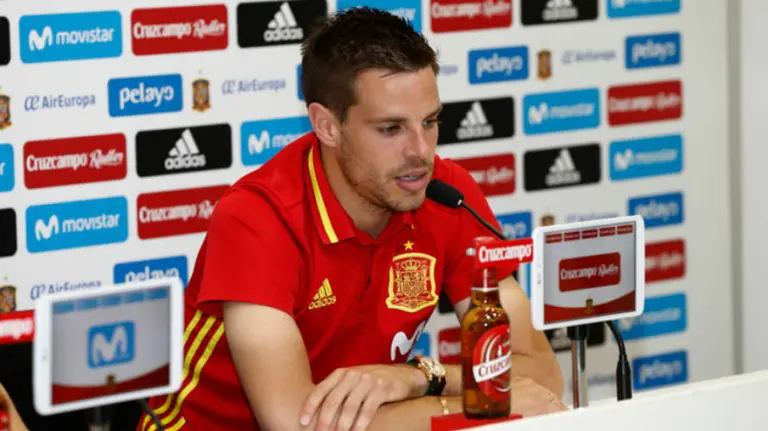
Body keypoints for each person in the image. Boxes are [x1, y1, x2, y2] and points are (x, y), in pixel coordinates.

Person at [137, 7, 564, 431]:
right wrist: (477, 402)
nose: (421, 151)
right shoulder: (256, 218)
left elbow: (542, 378)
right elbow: (295, 425)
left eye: (430, 122)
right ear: (326, 126)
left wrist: (419, 377)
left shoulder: (448, 196)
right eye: (390, 129)